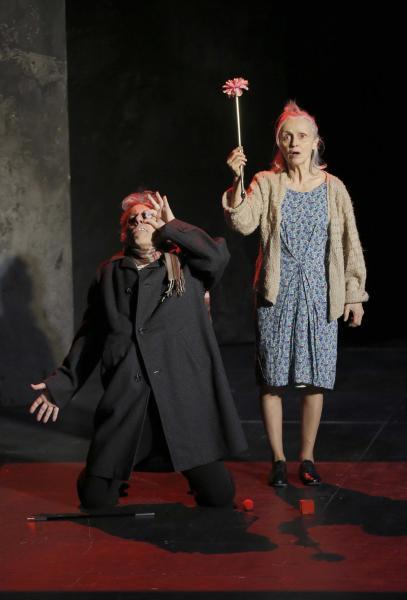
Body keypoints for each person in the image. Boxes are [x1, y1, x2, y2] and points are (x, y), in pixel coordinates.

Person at [29, 191, 247, 508]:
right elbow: (91, 337)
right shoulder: (110, 273)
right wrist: (60, 386)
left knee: (219, 496)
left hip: (179, 395)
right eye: (133, 219)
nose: (140, 221)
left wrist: (172, 224)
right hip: (131, 397)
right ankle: (105, 478)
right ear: (125, 232)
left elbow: (217, 257)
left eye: (148, 215)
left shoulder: (187, 265)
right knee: (95, 499)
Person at [222, 101, 368, 487]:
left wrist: (354, 293)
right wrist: (237, 182)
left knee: (314, 378)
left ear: (316, 142)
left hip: (320, 294)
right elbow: (243, 223)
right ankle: (277, 458)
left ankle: (307, 457)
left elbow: (350, 243)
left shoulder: (334, 188)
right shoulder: (267, 183)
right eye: (286, 137)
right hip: (277, 293)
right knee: (272, 378)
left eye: (302, 136)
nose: (294, 143)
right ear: (279, 143)